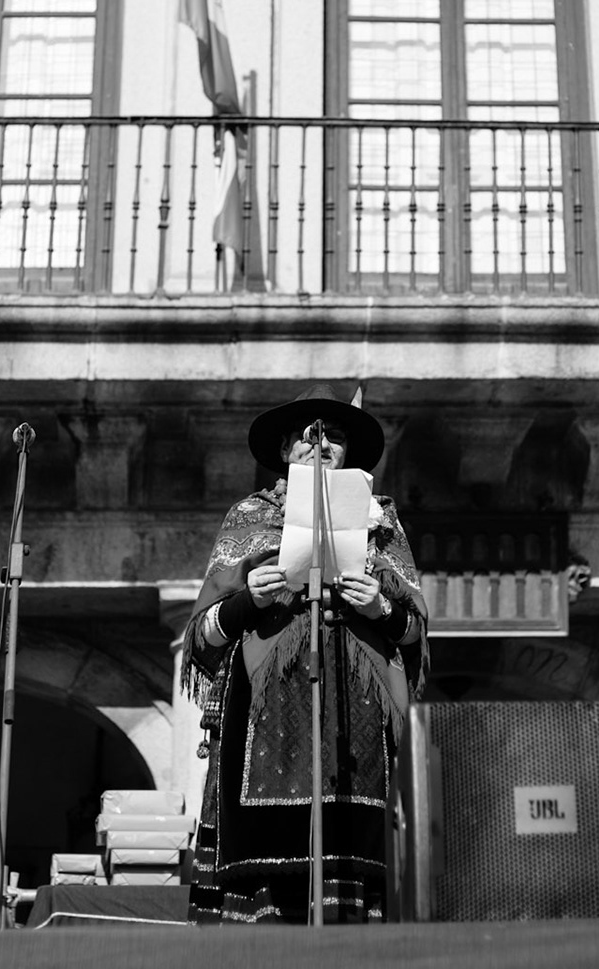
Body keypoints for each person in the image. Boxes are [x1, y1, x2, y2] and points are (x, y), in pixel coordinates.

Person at [185, 383, 428, 924]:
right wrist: (249, 600)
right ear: (284, 449)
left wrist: (380, 608)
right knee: (269, 869)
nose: (321, 445)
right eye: (307, 436)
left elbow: (415, 637)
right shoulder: (249, 516)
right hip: (263, 716)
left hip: (358, 715)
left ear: (349, 453)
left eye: (334, 437)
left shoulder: (383, 523)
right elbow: (201, 638)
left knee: (355, 856)